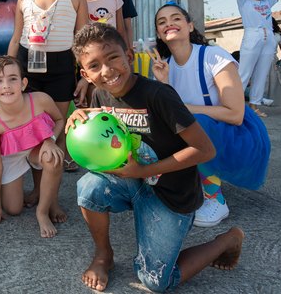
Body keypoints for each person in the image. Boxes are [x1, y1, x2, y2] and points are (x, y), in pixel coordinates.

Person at [69, 23, 244, 292]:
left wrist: (140, 171)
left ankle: (227, 240)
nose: (106, 71)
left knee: (156, 281)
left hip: (171, 193)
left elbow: (205, 150)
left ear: (128, 55)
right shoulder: (100, 92)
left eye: (113, 57)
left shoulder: (158, 94)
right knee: (88, 187)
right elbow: (109, 113)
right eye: (94, 66)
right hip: (134, 181)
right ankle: (104, 255)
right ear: (86, 74)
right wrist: (80, 116)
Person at [151, 3, 270, 229]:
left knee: (196, 124)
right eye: (162, 21)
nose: (169, 24)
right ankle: (184, 187)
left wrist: (184, 108)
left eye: (176, 18)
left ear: (190, 25)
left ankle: (216, 199)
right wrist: (164, 85)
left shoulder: (213, 56)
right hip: (204, 134)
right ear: (158, 33)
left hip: (238, 135)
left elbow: (235, 114)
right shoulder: (164, 66)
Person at [4, 0, 88, 174]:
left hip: (62, 69)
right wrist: (9, 72)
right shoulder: (23, 0)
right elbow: (15, 37)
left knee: (56, 133)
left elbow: (83, 40)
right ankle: (38, 191)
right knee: (34, 133)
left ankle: (50, 199)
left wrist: (85, 76)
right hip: (28, 67)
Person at [0, 55, 66, 238]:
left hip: (38, 148)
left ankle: (44, 209)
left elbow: (59, 120)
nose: (6, 86)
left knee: (53, 157)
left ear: (23, 83)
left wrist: (50, 139)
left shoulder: (40, 100)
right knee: (13, 209)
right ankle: (37, 192)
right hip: (11, 157)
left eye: (12, 79)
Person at [234, 0, 281, 118]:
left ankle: (254, 106)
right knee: (244, 72)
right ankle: (234, 104)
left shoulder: (267, 2)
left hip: (269, 36)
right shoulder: (244, 1)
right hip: (252, 35)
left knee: (262, 73)